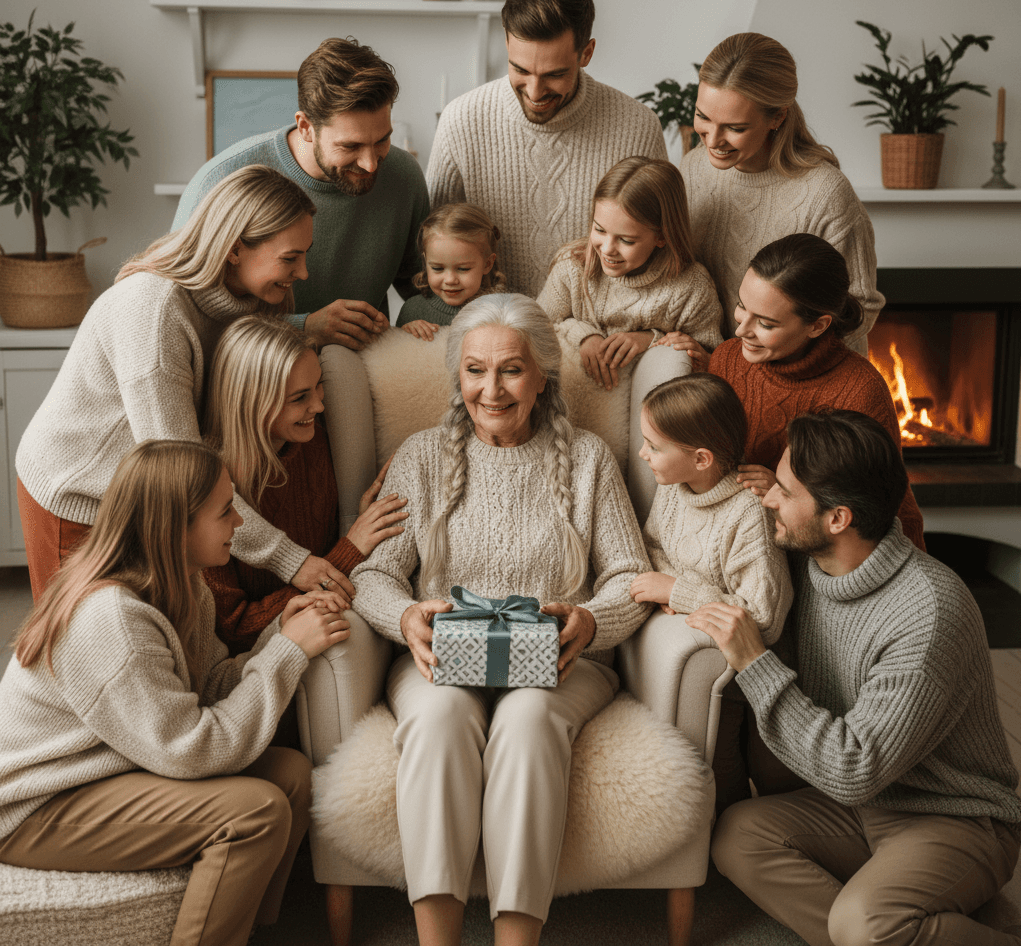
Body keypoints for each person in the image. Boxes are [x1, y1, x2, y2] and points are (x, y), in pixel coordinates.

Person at [342, 293, 652, 946]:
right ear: (457, 376)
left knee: (530, 716)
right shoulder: (420, 456)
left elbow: (629, 574)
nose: (491, 388)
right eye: (475, 370)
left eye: (511, 369)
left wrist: (590, 622)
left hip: (563, 664)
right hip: (439, 661)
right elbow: (372, 574)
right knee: (440, 716)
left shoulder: (590, 459)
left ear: (543, 374)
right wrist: (405, 619)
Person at [690, 410, 1021, 946]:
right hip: (865, 807)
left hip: (954, 817)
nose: (768, 498)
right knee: (737, 836)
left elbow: (855, 768)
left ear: (838, 518)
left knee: (864, 924)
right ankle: (890, 931)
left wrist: (756, 663)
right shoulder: (807, 561)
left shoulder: (927, 612)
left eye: (784, 489)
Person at [0, 440, 351, 946]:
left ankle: (250, 930)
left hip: (107, 765)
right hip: (39, 804)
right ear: (177, 526)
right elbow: (195, 749)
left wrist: (277, 638)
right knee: (256, 812)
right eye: (225, 510)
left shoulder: (186, 587)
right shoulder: (113, 619)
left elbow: (207, 690)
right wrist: (287, 655)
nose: (239, 523)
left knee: (291, 775)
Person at [16, 166, 350, 600]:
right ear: (233, 249)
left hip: (144, 497)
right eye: (290, 258)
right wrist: (291, 560)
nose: (303, 274)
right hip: (78, 490)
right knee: (79, 647)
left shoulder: (252, 301)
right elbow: (184, 475)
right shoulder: (153, 313)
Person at [665, 232, 925, 551]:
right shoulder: (727, 359)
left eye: (766, 324)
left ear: (817, 326)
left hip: (813, 551)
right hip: (737, 547)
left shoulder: (860, 390)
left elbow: (884, 512)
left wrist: (786, 493)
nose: (740, 330)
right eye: (741, 306)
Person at [174, 37, 430, 349]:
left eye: (382, 140)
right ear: (306, 126)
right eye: (350, 146)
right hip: (252, 375)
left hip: (362, 370)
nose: (370, 163)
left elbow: (425, 289)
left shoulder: (404, 177)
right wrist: (304, 326)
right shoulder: (221, 181)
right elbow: (184, 317)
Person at [427, 0, 667, 297]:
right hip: (487, 327)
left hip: (599, 333)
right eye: (521, 70)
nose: (535, 92)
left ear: (587, 53)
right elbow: (430, 251)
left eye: (554, 75)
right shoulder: (460, 121)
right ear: (507, 42)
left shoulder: (638, 127)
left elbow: (662, 254)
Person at [629, 372, 792, 814]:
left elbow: (763, 616)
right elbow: (654, 546)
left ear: (701, 458)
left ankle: (731, 843)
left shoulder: (747, 514)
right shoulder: (674, 490)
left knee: (729, 769)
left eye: (654, 446)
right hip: (706, 652)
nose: (642, 454)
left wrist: (680, 592)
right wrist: (668, 586)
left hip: (747, 674)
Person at [203, 314, 409, 653]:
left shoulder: (312, 443)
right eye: (299, 397)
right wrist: (350, 549)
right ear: (252, 401)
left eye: (318, 386)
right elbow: (236, 629)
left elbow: (325, 551)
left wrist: (351, 521)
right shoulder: (208, 490)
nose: (319, 405)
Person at [680, 32, 883, 354]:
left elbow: (860, 305)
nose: (712, 140)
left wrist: (774, 368)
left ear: (778, 117)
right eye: (703, 117)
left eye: (735, 128)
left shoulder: (824, 193)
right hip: (714, 370)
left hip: (802, 380)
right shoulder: (692, 170)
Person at [537, 156, 721, 392]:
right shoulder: (572, 266)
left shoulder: (691, 287)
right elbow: (534, 329)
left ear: (662, 237)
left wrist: (652, 339)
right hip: (573, 398)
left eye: (626, 240)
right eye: (599, 229)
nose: (607, 248)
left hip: (650, 406)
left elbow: (711, 359)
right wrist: (583, 335)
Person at [397, 203, 507, 340]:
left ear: (487, 264)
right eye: (437, 268)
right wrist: (404, 333)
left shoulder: (502, 311)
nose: (450, 280)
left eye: (463, 269)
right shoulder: (412, 310)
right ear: (425, 263)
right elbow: (395, 355)